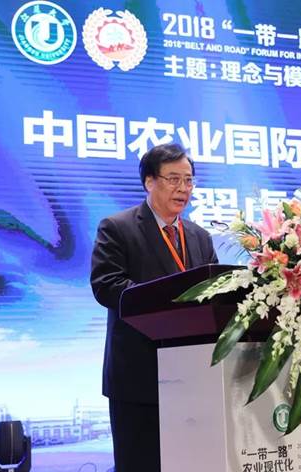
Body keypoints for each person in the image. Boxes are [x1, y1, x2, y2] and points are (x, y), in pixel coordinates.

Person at [90, 143, 218, 471]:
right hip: (139, 377)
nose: (183, 188)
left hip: (193, 377)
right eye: (173, 179)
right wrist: (167, 301)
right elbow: (106, 286)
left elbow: (216, 293)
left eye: (188, 180)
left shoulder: (200, 236)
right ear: (149, 181)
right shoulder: (117, 227)